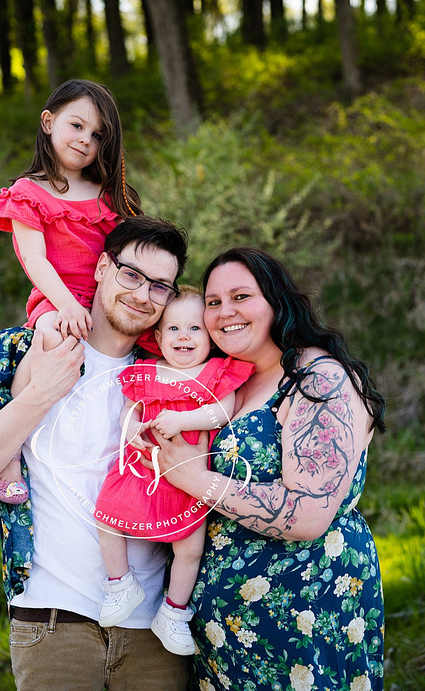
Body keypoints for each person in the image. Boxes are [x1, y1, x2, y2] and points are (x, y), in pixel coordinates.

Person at [0, 216, 191, 691]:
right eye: (131, 274)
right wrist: (40, 394)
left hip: (154, 632)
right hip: (52, 621)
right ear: (100, 267)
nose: (143, 294)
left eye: (160, 286)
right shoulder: (25, 349)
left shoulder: (169, 374)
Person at [152, 247, 387, 691]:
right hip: (224, 635)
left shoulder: (316, 377)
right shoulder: (229, 381)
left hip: (300, 619)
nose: (225, 313)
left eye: (242, 296)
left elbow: (309, 512)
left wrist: (193, 479)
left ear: (276, 300)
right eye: (214, 302)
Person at [0, 78, 141, 505]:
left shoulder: (107, 196)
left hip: (107, 298)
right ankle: (8, 451)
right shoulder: (29, 192)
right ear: (48, 122)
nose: (86, 140)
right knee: (51, 334)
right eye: (77, 126)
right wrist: (67, 305)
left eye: (98, 135)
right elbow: (35, 261)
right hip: (57, 296)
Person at [93, 286, 254, 655]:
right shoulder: (146, 371)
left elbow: (221, 411)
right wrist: (131, 428)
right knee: (105, 517)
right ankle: (120, 583)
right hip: (141, 468)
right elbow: (129, 409)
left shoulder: (215, 373)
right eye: (174, 329)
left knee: (190, 547)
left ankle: (173, 611)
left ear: (210, 337)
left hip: (189, 478)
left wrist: (184, 418)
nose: (184, 336)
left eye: (195, 329)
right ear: (158, 336)